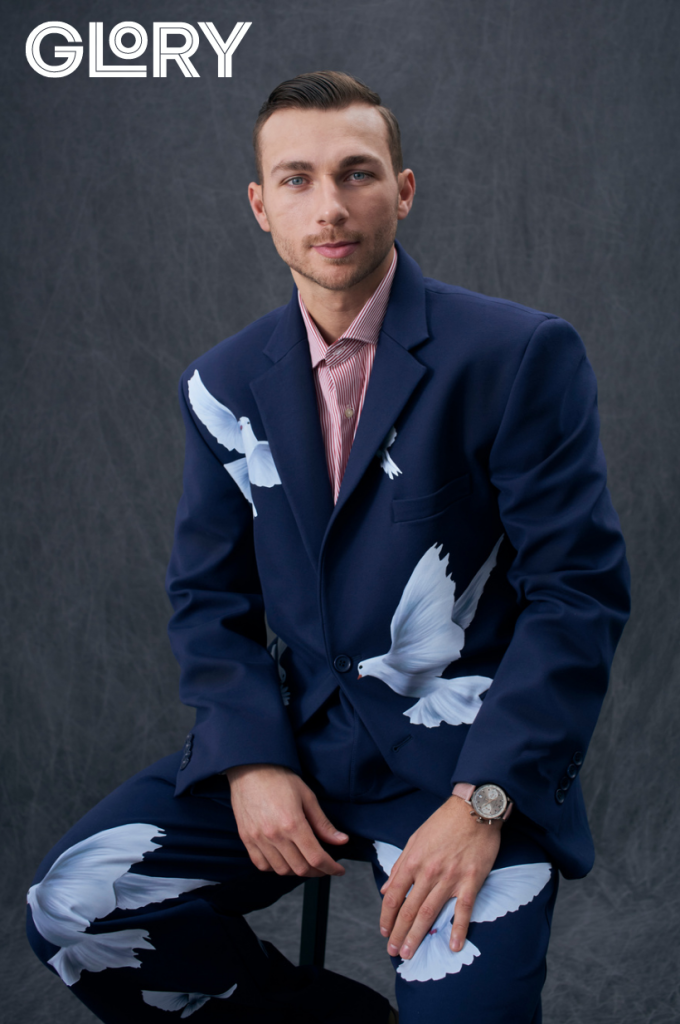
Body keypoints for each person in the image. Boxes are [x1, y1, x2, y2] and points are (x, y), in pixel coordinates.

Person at [26, 71, 630, 1024]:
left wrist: (486, 802)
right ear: (262, 206)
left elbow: (578, 594)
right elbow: (208, 598)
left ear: (404, 189)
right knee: (70, 909)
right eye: (298, 180)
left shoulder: (515, 355)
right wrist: (248, 761)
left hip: (467, 767)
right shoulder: (221, 383)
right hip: (296, 752)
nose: (332, 206)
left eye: (357, 173)